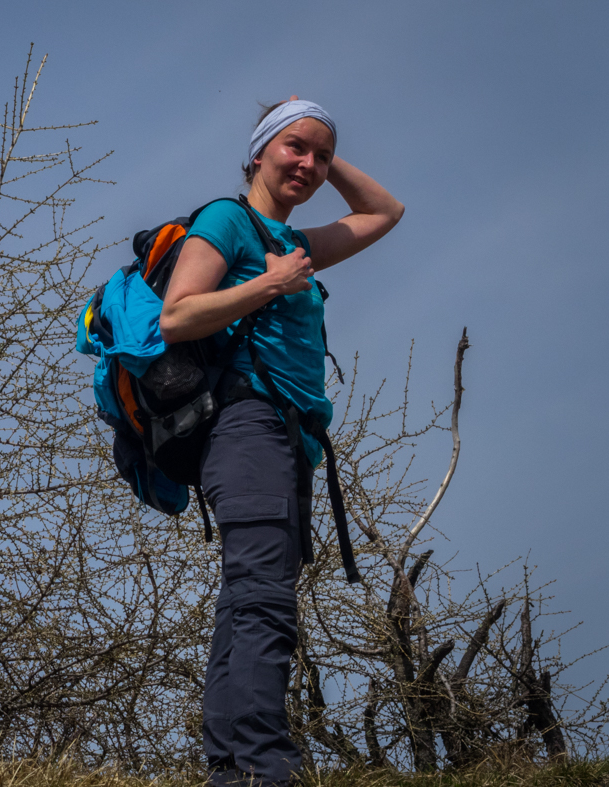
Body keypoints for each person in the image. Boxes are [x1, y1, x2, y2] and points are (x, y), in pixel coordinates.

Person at [159, 98, 404, 786]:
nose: (308, 164)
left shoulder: (293, 243)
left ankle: (232, 772)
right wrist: (268, 282)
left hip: (289, 442)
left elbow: (384, 212)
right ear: (259, 149)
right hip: (245, 428)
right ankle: (271, 770)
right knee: (264, 600)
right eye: (292, 147)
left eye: (320, 155)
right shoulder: (226, 221)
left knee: (246, 601)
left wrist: (324, 158)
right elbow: (177, 315)